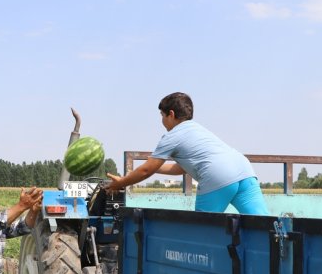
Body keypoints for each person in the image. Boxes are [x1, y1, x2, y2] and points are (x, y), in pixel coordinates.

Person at [105, 92, 269, 215]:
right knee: (264, 226)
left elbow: (146, 170)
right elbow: (181, 168)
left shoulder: (172, 136)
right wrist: (156, 168)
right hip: (244, 170)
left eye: (162, 115)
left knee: (203, 230)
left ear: (171, 114)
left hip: (218, 174)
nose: (161, 121)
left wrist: (121, 183)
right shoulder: (197, 129)